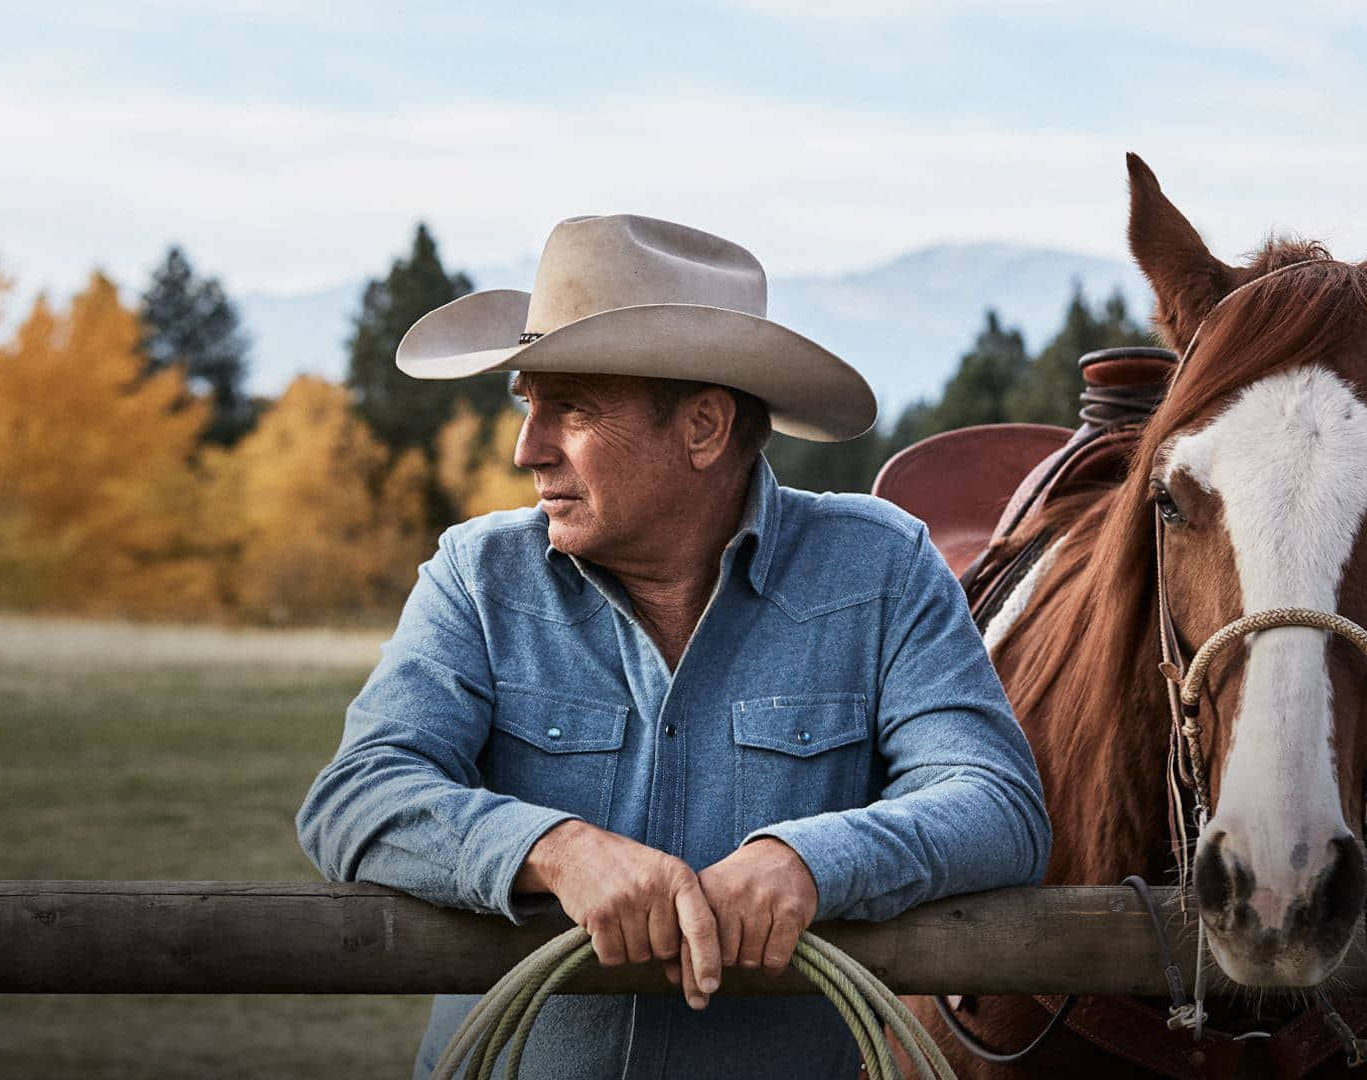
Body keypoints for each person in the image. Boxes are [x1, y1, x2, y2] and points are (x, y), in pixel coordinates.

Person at [296, 213, 1051, 1078]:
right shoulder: (479, 576)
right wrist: (558, 850)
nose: (525, 449)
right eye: (528, 405)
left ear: (703, 428)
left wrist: (806, 861)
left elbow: (995, 804)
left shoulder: (882, 569)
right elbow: (358, 794)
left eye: (570, 409)